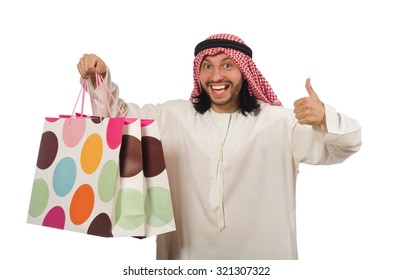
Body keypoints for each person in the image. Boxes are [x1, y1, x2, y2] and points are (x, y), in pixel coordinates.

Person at [77, 33, 362, 260]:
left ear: (245, 72)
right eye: (208, 66)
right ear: (198, 73)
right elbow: (117, 123)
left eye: (228, 65)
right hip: (186, 262)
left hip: (265, 263)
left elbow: (347, 144)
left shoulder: (280, 123)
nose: (216, 76)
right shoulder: (172, 117)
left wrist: (325, 117)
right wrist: (97, 79)